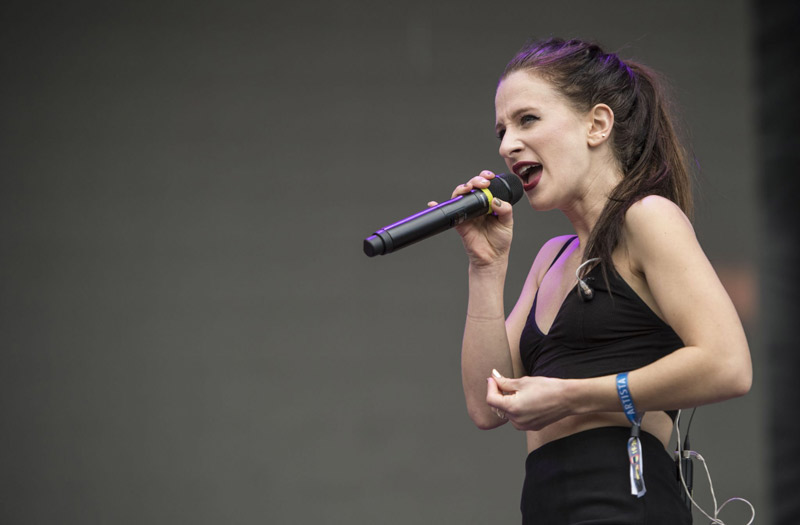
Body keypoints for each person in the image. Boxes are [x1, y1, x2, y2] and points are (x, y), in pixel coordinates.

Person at [447, 38, 752, 524]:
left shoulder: (649, 219)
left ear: (597, 124)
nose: (507, 145)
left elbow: (728, 365)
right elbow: (487, 406)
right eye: (501, 130)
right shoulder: (551, 258)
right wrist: (486, 267)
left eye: (527, 120)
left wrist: (571, 393)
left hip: (625, 503)